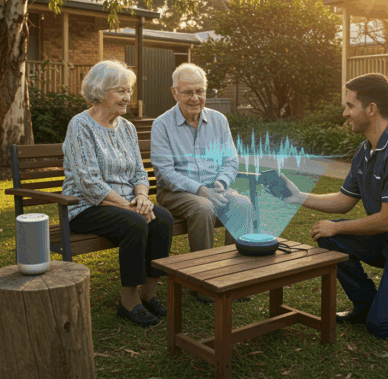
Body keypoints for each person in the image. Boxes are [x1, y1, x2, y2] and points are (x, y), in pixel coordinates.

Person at [269, 73, 388, 339]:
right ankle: (365, 304)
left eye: (350, 105)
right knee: (329, 236)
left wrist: (339, 228)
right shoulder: (365, 150)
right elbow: (344, 201)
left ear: (371, 109)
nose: (345, 113)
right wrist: (298, 196)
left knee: (383, 326)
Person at [62, 60, 174, 328]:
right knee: (135, 223)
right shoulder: (80, 125)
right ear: (100, 92)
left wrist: (143, 197)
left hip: (125, 202)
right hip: (85, 206)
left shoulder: (127, 128)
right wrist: (129, 206)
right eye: (121, 91)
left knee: (164, 219)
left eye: (129, 91)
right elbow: (89, 182)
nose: (128, 98)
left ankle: (150, 292)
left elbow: (138, 172)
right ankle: (129, 301)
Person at [150, 63, 253, 303]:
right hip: (177, 192)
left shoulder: (219, 120)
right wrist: (199, 190)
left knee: (242, 205)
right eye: (188, 92)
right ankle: (203, 280)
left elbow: (230, 160)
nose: (195, 98)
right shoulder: (162, 124)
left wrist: (221, 182)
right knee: (203, 207)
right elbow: (164, 173)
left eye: (200, 91)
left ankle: (233, 276)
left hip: (214, 187)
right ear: (175, 93)